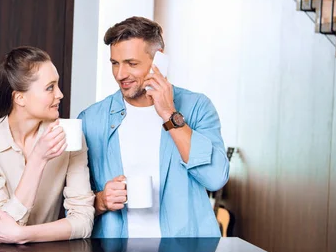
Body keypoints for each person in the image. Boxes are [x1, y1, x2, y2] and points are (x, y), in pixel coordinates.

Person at [78, 16, 229, 238]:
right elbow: (70, 204)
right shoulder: (91, 119)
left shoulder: (197, 107)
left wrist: (169, 114)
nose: (120, 74)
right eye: (115, 63)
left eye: (131, 63)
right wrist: (101, 201)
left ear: (158, 62)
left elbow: (215, 178)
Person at [0, 46, 95, 243]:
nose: (60, 94)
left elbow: (83, 221)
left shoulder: (69, 136)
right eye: (50, 87)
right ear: (19, 98)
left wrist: (23, 235)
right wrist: (38, 159)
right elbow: (0, 226)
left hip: (36, 248)